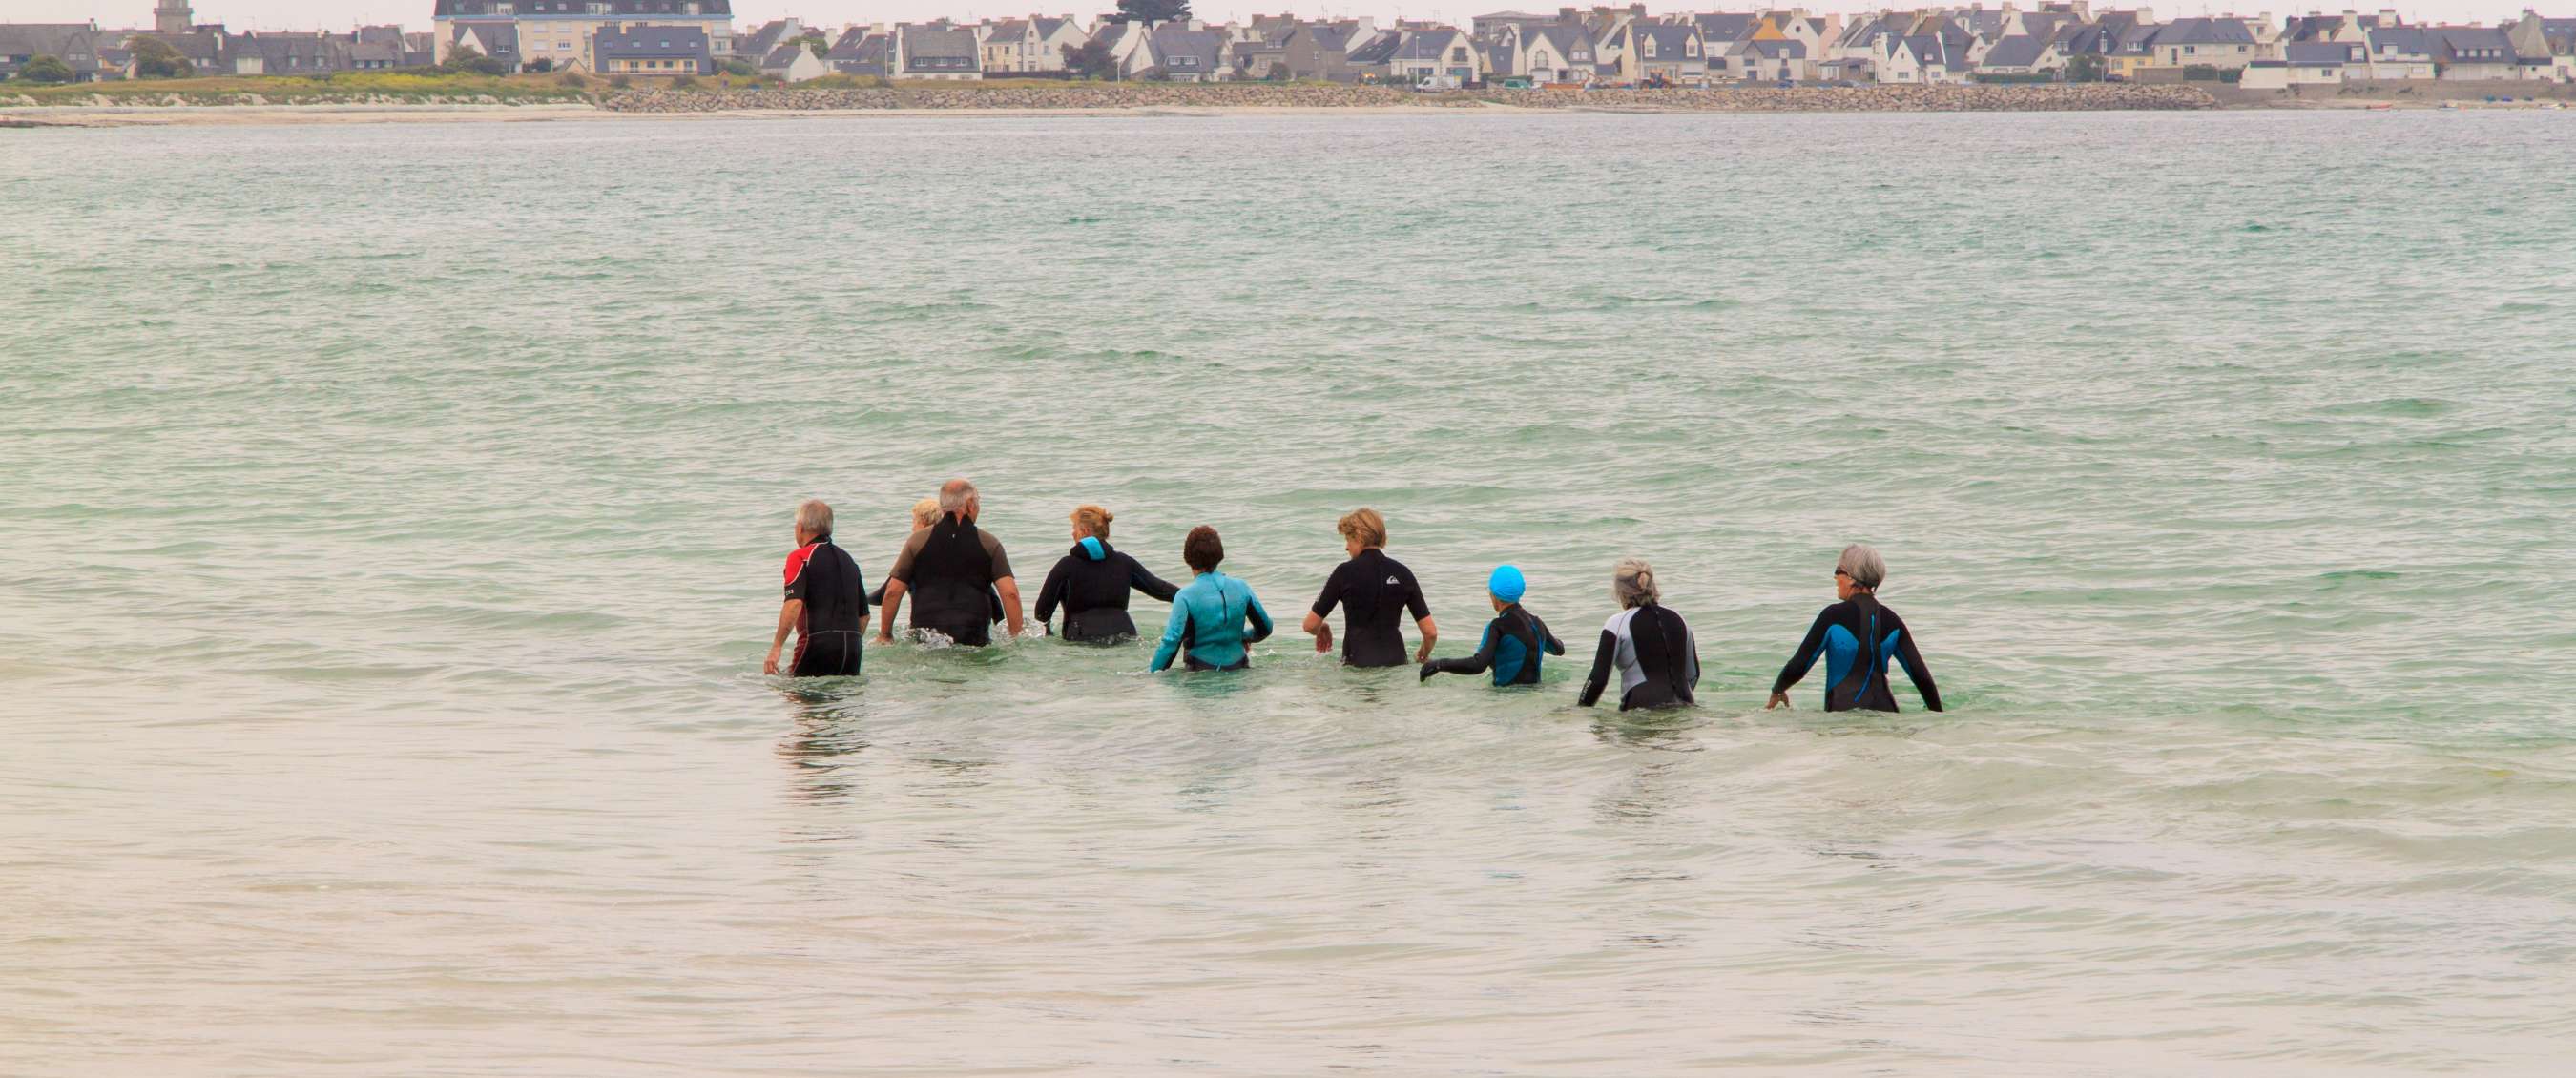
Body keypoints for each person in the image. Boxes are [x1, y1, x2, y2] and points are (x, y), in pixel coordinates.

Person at [1767, 545, 1942, 713]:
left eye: (1838, 571)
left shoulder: (1832, 616)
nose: (1835, 577)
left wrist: (1778, 690)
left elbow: (1799, 665)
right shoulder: (1893, 620)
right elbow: (1922, 678)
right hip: (1888, 718)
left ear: (1851, 577)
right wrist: (1939, 718)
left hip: (1843, 720)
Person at [876, 479, 1023, 647]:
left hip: (926, 641)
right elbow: (1010, 593)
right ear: (969, 504)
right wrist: (1015, 638)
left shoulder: (916, 542)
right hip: (974, 640)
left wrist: (885, 635)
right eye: (978, 501)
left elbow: (893, 591)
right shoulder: (990, 544)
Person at [1302, 508, 1436, 668]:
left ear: (1358, 537)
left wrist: (1322, 627)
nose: (1347, 547)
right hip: (1397, 665)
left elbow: (1310, 625)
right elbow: (1430, 633)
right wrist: (1422, 655)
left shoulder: (1344, 572)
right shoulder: (1403, 572)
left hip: (1356, 666)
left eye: (1348, 539)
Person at [1034, 504, 1181, 643]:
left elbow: (1042, 613)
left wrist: (1048, 630)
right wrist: (1192, 598)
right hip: (1125, 636)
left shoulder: (1066, 566)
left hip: (1081, 640)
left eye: (1074, 528)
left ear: (1084, 531)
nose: (1073, 533)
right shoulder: (1125, 562)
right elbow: (1159, 589)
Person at [764, 499, 869, 677]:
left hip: (817, 644)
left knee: (794, 696)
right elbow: (864, 616)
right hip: (853, 649)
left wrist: (776, 647)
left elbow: (794, 604)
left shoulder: (799, 557)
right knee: (840, 703)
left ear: (800, 527)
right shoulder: (848, 560)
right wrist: (845, 644)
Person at [1578, 558, 1699, 711]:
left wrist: (1579, 710)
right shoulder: (1679, 619)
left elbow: (1598, 680)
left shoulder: (1617, 623)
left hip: (1640, 708)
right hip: (1686, 704)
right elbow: (1693, 674)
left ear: (1620, 591)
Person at [1150, 526, 1275, 673]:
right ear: (1220, 555)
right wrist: (1243, 636)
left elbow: (1171, 642)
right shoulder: (1242, 587)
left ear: (1187, 558)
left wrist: (1150, 675)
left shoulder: (1185, 596)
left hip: (1200, 672)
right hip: (1240, 668)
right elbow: (1266, 628)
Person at [868, 496, 1004, 627]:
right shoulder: (961, 553)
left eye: (913, 521)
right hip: (969, 628)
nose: (912, 527)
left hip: (927, 628)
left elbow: (887, 593)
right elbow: (993, 600)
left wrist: (858, 598)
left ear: (922, 521)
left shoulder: (916, 553)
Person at [1421, 565, 1564, 686]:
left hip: (1505, 702)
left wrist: (1439, 664)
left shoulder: (1498, 626)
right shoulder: (1537, 623)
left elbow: (1478, 665)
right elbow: (1559, 650)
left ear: (1494, 595)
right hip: (1535, 696)